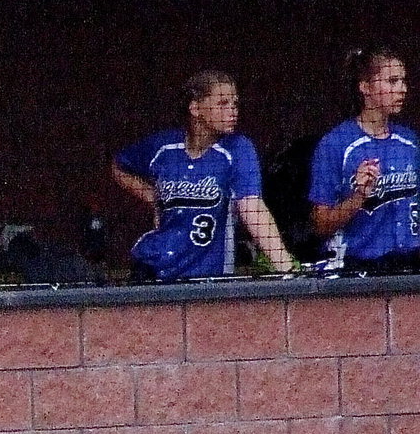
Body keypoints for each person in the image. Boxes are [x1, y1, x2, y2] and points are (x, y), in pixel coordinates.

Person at [112, 69, 295, 280]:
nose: (233, 111)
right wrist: (152, 196)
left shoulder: (238, 149)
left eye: (235, 104)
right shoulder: (163, 146)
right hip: (154, 265)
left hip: (207, 274)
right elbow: (119, 166)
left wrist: (286, 267)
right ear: (196, 108)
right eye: (222, 104)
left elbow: (252, 207)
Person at [310, 47, 420, 275]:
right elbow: (320, 225)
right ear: (365, 87)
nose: (402, 89)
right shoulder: (336, 144)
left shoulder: (410, 142)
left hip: (411, 262)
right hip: (357, 266)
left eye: (403, 81)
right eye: (392, 81)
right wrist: (359, 195)